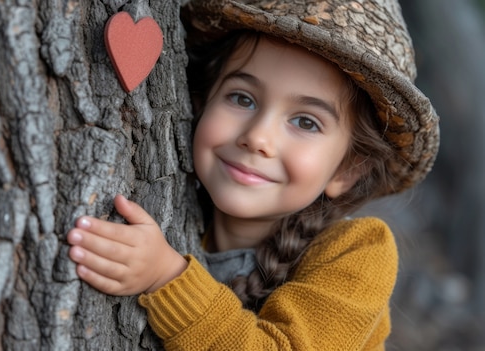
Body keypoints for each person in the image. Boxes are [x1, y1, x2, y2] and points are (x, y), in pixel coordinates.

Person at [67, 0, 440, 349]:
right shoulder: (177, 208)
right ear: (199, 102)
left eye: (305, 122)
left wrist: (167, 278)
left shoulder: (358, 254)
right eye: (242, 98)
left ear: (347, 169)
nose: (258, 138)